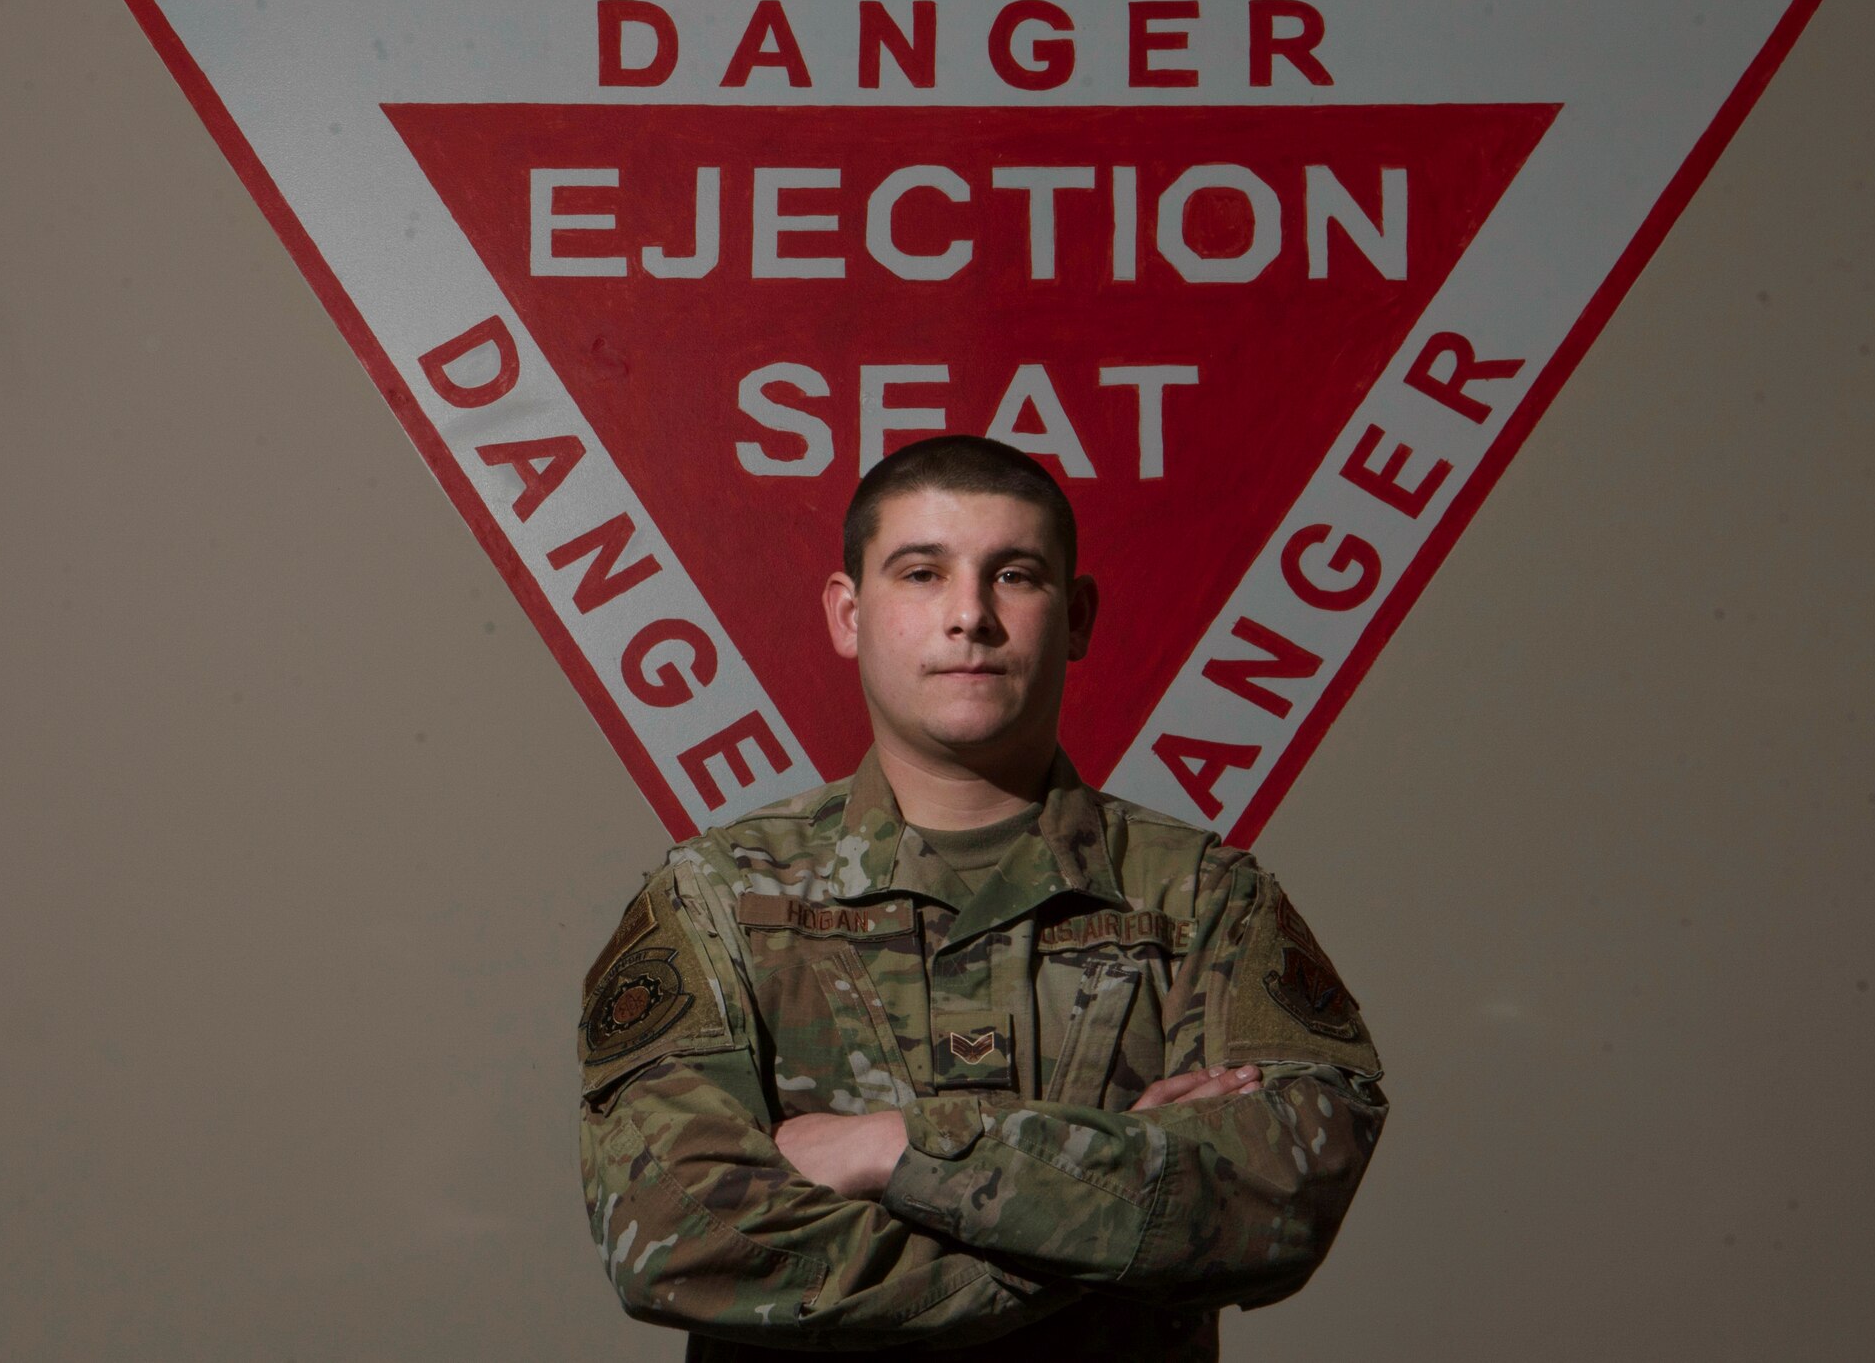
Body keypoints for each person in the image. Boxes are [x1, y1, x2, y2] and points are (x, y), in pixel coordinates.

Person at [579, 436, 1386, 1361]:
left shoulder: (1204, 897)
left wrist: (894, 1148)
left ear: (1076, 616)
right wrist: (1108, 1214)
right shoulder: (721, 896)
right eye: (922, 574)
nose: (970, 615)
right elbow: (676, 1236)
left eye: (1015, 575)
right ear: (849, 614)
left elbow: (1281, 1198)